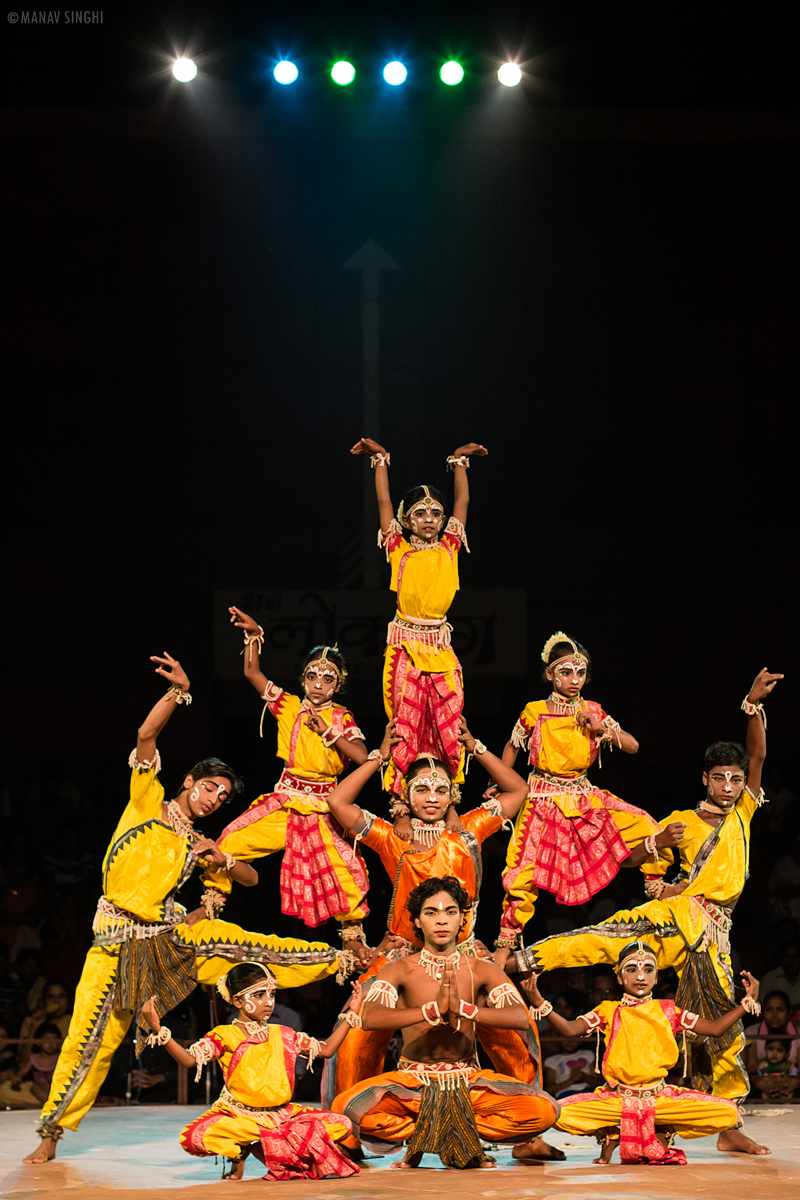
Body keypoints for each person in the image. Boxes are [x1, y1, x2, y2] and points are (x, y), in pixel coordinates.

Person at [23, 652, 354, 1166]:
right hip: (114, 943)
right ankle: (52, 1133)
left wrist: (222, 854)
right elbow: (145, 737)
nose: (214, 798)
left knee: (250, 946)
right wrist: (177, 694)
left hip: (169, 939)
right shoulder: (145, 800)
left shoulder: (200, 843)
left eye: (222, 796)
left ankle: (345, 960)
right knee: (88, 1043)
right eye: (208, 788)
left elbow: (249, 875)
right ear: (187, 782)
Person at [514, 668, 783, 1154]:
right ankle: (525, 959)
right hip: (678, 915)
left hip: (714, 932)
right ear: (705, 779)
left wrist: (751, 705)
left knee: (725, 1020)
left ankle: (729, 1126)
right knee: (610, 935)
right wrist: (656, 842)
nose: (728, 785)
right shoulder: (678, 820)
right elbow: (635, 861)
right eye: (719, 778)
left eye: (735, 779)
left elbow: (759, 753)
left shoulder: (743, 810)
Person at [321, 716, 557, 1155]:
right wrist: (378, 758)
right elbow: (338, 801)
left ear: (454, 795)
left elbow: (518, 791)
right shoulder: (394, 838)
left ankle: (527, 1136)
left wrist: (475, 744)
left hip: (466, 953)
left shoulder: (468, 830)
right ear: (406, 797)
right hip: (403, 955)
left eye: (440, 790)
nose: (432, 798)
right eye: (422, 791)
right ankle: (347, 1133)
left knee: (518, 1041)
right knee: (353, 1039)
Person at [332, 877, 559, 1170]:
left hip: (467, 1082)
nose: (442, 920)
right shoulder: (399, 969)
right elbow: (371, 1017)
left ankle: (446, 1132)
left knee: (544, 1111)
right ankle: (440, 1134)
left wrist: (465, 1009)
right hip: (412, 1084)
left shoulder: (482, 969)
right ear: (416, 920)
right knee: (346, 1109)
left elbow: (517, 1017)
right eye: (431, 912)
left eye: (450, 912)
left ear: (462, 918)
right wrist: (431, 1011)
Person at [492, 632, 678, 963]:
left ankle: (655, 886)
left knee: (644, 824)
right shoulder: (534, 711)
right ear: (550, 674)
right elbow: (513, 745)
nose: (574, 680)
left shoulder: (593, 710)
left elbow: (633, 745)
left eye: (580, 673)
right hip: (543, 799)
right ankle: (506, 941)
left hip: (583, 796)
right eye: (565, 672)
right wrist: (502, 781)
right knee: (523, 872)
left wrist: (600, 728)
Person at [206, 615, 370, 960]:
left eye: (328, 679)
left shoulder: (342, 717)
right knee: (231, 840)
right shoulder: (288, 705)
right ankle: (211, 905)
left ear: (337, 686)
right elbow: (252, 674)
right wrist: (254, 636)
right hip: (285, 801)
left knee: (347, 871)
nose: (319, 683)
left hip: (325, 808)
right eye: (312, 676)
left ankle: (353, 939)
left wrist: (327, 730)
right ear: (304, 679)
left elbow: (362, 756)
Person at [522, 942, 750, 1164]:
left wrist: (747, 1003)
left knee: (728, 1112)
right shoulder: (608, 1010)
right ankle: (611, 1134)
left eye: (648, 970)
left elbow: (714, 1029)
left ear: (656, 977)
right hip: (617, 1099)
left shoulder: (669, 1010)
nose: (640, 977)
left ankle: (663, 1127)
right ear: (620, 978)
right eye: (632, 970)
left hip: (659, 1098)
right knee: (554, 1113)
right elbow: (571, 1030)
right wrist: (540, 1002)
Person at [350, 436, 486, 805]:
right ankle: (399, 803)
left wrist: (458, 460)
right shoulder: (399, 548)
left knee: (450, 722)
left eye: (435, 514)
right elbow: (382, 501)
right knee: (403, 725)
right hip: (404, 646)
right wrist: (380, 460)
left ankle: (452, 797)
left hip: (439, 647)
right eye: (420, 514)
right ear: (406, 520)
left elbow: (463, 501)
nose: (429, 520)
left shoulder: (450, 547)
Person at [140, 963, 362, 1180]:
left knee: (342, 1124)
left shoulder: (283, 1033)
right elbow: (189, 1060)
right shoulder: (225, 1035)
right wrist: (158, 1029)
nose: (268, 1002)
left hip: (283, 1116)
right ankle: (244, 1150)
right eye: (258, 995)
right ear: (237, 1000)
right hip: (242, 1116)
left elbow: (327, 1050)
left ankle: (262, 1146)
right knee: (194, 1138)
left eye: (271, 994)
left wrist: (351, 1013)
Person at [745, 990, 800, 1101]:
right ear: (763, 1011)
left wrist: (794, 1083)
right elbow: (751, 1068)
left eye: (780, 1009)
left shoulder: (798, 1035)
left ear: (789, 1012)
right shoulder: (752, 1032)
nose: (774, 1015)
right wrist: (761, 1083)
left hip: (791, 1085)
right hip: (760, 1085)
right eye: (769, 1009)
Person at [0, 1022, 62, 1109]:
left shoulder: (60, 1057)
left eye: (54, 1040)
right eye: (47, 1040)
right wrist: (17, 1078)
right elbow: (22, 1072)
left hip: (56, 1090)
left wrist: (56, 1077)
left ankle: (55, 1105)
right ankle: (51, 1105)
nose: (51, 1044)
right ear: (38, 1042)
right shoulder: (34, 1058)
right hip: (39, 1091)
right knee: (33, 1088)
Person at [753, 1038, 798, 1102]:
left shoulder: (789, 1065)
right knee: (763, 1093)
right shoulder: (762, 1064)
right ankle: (767, 1106)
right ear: (765, 1050)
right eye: (771, 1049)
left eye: (780, 1050)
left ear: (786, 1054)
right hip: (769, 1087)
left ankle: (787, 1105)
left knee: (790, 1092)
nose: (774, 1053)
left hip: (783, 1087)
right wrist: (765, 1080)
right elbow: (759, 1077)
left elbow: (793, 1078)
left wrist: (786, 1080)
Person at [759, 941, 800, 1006]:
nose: (791, 961)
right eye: (787, 956)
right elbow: (761, 1005)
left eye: (795, 956)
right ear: (782, 958)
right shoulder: (769, 978)